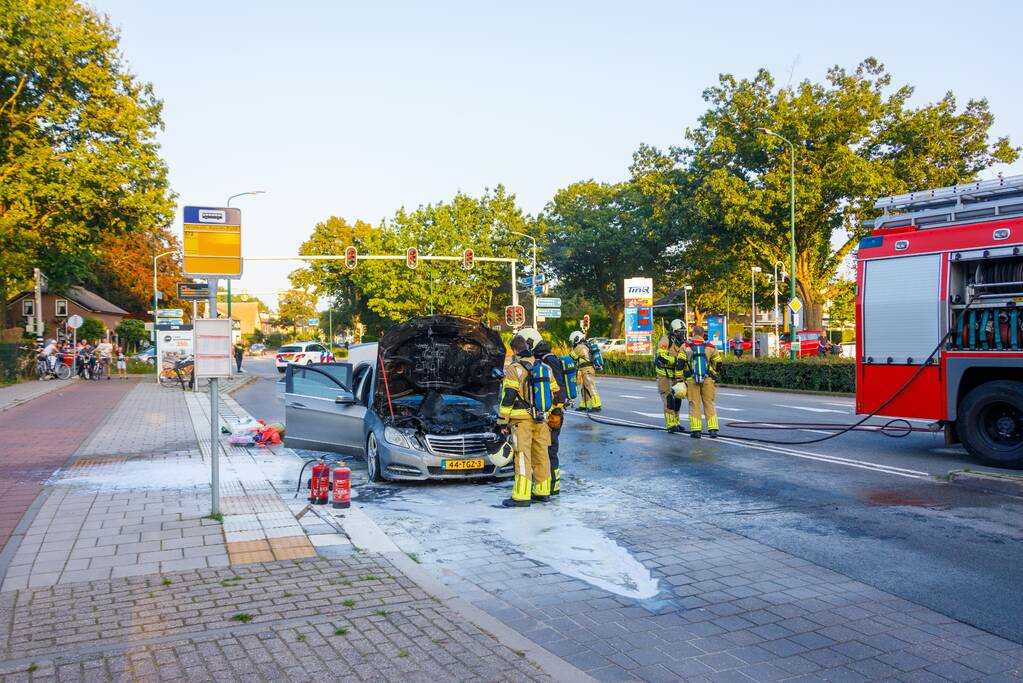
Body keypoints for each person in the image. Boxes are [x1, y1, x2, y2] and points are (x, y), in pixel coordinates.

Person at [498, 328, 558, 508]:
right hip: (541, 420)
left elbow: (508, 397)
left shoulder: (514, 369)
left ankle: (521, 496)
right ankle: (542, 491)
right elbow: (554, 393)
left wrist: (502, 421)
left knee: (523, 456)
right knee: (542, 455)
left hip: (521, 422)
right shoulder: (545, 368)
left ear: (515, 350)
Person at [532, 337, 567, 496]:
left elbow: (557, 391)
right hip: (556, 413)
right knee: (550, 449)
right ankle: (554, 486)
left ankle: (552, 486)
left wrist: (553, 410)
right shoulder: (552, 359)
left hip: (553, 414)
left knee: (549, 450)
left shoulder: (548, 363)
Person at [685, 325, 723, 439]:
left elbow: (680, 363)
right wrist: (713, 375)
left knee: (694, 404)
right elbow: (718, 364)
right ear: (703, 335)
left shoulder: (686, 346)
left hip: (692, 380)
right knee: (709, 403)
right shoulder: (710, 347)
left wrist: (679, 379)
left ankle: (696, 431)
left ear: (693, 334)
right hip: (707, 379)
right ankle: (713, 430)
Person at [654, 319, 689, 433]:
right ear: (673, 332)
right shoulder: (665, 340)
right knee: (669, 399)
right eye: (680, 332)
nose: (682, 334)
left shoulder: (684, 342)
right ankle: (670, 424)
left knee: (678, 398)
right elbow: (661, 357)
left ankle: (677, 422)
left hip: (676, 374)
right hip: (664, 374)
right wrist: (676, 361)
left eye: (684, 332)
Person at [569, 331, 601, 412]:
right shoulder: (585, 345)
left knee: (590, 386)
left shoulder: (579, 347)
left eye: (573, 341)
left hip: (587, 370)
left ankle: (597, 405)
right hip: (586, 370)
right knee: (584, 388)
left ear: (576, 338)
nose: (572, 343)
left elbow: (571, 357)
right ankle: (584, 405)